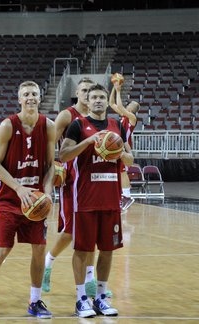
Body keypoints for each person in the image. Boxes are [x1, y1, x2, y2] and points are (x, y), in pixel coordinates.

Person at [0, 81, 56, 321]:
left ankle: (35, 301)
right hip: (8, 197)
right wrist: (18, 188)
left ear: (39, 98)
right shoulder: (8, 125)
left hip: (35, 199)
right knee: (2, 248)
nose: (30, 98)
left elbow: (50, 166)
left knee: (39, 249)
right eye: (26, 94)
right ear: (19, 99)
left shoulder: (48, 126)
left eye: (34, 94)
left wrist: (48, 193)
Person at [59, 83, 133, 318]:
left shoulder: (117, 126)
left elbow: (130, 160)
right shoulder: (78, 125)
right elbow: (63, 155)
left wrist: (117, 150)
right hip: (85, 200)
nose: (99, 101)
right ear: (87, 102)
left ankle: (100, 297)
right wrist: (90, 142)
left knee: (108, 250)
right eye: (94, 98)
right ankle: (81, 298)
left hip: (111, 199)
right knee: (82, 250)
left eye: (102, 97)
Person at [42, 77, 98, 295]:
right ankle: (48, 263)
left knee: (91, 232)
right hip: (72, 181)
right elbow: (50, 143)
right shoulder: (68, 115)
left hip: (93, 180)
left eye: (90, 91)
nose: (86, 94)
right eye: (83, 90)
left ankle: (92, 281)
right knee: (71, 231)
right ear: (77, 92)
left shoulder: (98, 118)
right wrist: (53, 167)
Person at [109, 75, 140, 211]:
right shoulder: (123, 116)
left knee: (122, 172)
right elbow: (111, 104)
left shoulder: (132, 118)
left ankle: (127, 196)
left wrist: (119, 90)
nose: (129, 105)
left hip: (125, 147)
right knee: (118, 172)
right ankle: (121, 195)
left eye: (131, 105)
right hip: (117, 144)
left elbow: (120, 106)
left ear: (134, 109)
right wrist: (113, 89)